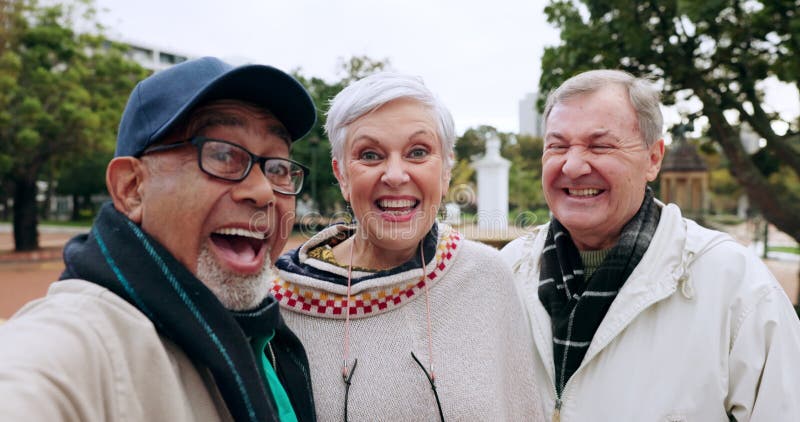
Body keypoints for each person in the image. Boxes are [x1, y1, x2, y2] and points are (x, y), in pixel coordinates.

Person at [0, 57, 318, 422]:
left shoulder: (266, 333)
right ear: (132, 188)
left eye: (277, 167)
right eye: (222, 154)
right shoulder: (84, 343)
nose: (263, 191)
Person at [500, 69, 800, 421]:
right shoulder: (506, 272)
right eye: (558, 146)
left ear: (653, 159)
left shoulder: (735, 285)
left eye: (600, 145)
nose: (574, 164)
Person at [270, 73, 543, 421]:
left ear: (446, 171)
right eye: (370, 155)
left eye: (418, 152)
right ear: (341, 175)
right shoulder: (282, 303)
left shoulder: (488, 279)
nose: (395, 175)